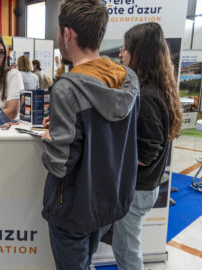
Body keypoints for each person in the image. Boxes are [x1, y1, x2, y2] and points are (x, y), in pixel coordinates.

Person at [40, 1, 140, 269]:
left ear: (68, 34)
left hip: (73, 208)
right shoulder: (127, 78)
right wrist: (64, 124)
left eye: (59, 32)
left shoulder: (66, 90)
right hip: (107, 199)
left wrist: (49, 137)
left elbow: (60, 164)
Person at [112, 22, 183, 270]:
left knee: (127, 252)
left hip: (138, 189)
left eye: (125, 48)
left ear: (138, 53)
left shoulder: (149, 95)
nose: (121, 54)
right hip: (142, 188)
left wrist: (115, 159)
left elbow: (147, 150)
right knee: (126, 247)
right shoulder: (154, 89)